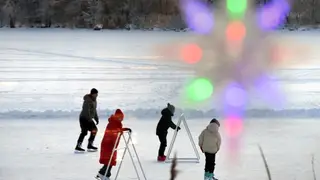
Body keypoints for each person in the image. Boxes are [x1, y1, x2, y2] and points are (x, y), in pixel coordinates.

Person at [96, 109, 131, 180]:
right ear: (118, 117)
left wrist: (124, 129)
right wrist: (120, 130)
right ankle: (103, 174)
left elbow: (117, 130)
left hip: (111, 144)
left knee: (110, 160)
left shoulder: (116, 122)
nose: (122, 119)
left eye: (122, 118)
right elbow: (113, 132)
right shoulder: (113, 122)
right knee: (109, 160)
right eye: (121, 117)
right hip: (108, 144)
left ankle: (103, 174)